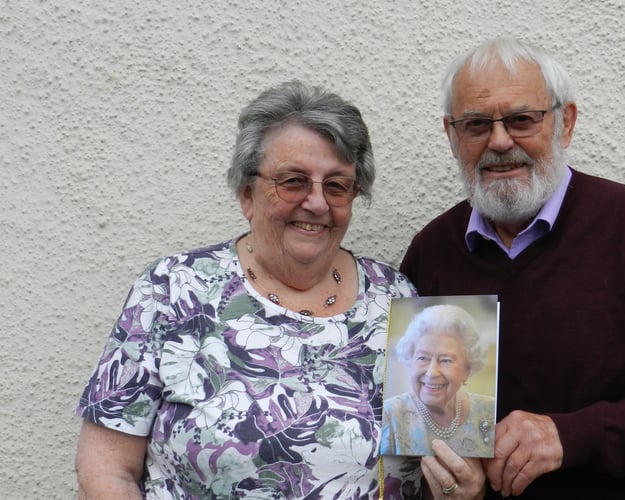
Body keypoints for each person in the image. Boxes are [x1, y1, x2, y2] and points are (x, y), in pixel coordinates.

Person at [400, 37, 625, 499]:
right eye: (477, 124)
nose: (500, 141)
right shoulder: (432, 251)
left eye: (522, 119)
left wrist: (570, 437)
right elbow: (415, 420)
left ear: (565, 123)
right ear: (452, 135)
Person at [74, 81, 427, 499]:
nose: (316, 202)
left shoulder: (398, 299)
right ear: (247, 194)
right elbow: (106, 469)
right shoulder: (172, 290)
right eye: (293, 181)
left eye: (336, 185)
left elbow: (432, 459)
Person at [381, 304, 495, 457]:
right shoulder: (389, 414)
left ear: (467, 370)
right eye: (422, 358)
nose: (431, 372)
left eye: (446, 360)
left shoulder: (490, 410)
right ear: (410, 360)